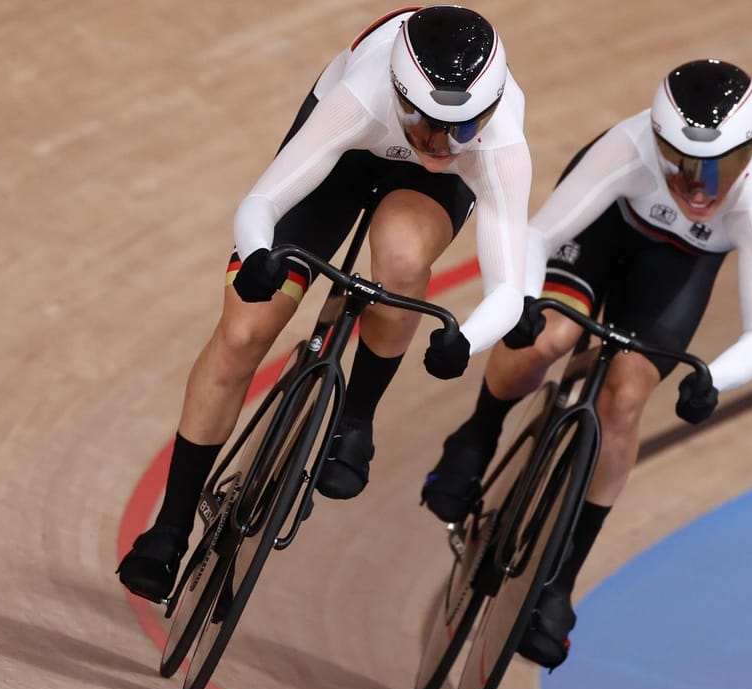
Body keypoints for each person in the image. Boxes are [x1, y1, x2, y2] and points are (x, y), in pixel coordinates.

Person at [117, 5, 531, 603]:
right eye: (427, 127)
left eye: (462, 129)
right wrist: (260, 255)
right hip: (346, 156)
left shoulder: (499, 143)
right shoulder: (360, 97)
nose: (442, 144)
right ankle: (171, 524)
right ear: (399, 96)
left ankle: (355, 418)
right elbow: (263, 200)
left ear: (487, 113)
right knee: (243, 333)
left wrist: (466, 339)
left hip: (422, 198)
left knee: (402, 260)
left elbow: (507, 288)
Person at [421, 59, 752, 668]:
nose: (699, 188)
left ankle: (561, 581)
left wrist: (713, 379)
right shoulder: (626, 147)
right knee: (547, 339)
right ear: (656, 142)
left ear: (750, 153)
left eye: (719, 169)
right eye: (680, 164)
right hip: (600, 236)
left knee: (624, 399)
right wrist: (523, 306)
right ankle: (476, 437)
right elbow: (538, 237)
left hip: (673, 275)